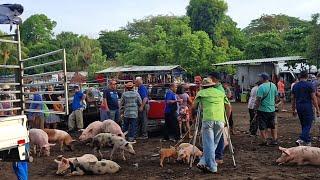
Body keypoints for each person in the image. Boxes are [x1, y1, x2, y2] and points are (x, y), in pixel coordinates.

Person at [194, 78, 231, 174]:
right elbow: (229, 107)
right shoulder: (220, 93)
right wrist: (226, 118)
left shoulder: (201, 93)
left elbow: (193, 107)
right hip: (220, 121)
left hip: (208, 120)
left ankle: (212, 167)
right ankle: (202, 162)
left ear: (203, 86)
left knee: (208, 144)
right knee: (213, 143)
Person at [292, 71, 319, 146]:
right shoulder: (309, 85)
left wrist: (293, 109)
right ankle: (302, 138)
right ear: (307, 76)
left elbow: (293, 99)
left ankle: (307, 141)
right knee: (308, 124)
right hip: (307, 106)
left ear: (299, 76)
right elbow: (313, 98)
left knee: (303, 124)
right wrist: (317, 109)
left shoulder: (295, 86)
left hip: (299, 106)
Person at [254, 72, 278, 146]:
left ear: (262, 78)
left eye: (260, 77)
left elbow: (258, 99)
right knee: (272, 125)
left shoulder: (261, 87)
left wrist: (255, 108)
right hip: (272, 109)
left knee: (262, 125)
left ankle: (264, 141)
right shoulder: (273, 85)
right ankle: (275, 140)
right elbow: (276, 98)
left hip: (263, 109)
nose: (259, 78)